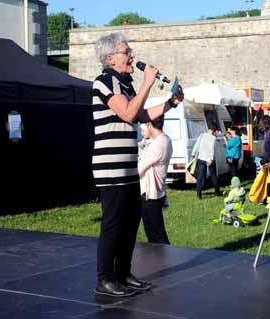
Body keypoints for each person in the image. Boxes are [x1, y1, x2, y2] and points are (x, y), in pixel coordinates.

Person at [92, 32, 183, 297]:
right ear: (110, 58)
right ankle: (105, 278)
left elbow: (142, 116)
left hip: (129, 165)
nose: (132, 55)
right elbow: (128, 112)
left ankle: (123, 273)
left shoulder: (126, 84)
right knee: (113, 223)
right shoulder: (103, 81)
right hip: (110, 166)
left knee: (131, 221)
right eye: (126, 51)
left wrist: (170, 103)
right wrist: (147, 83)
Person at [138, 116, 172, 244]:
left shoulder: (159, 144)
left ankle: (163, 261)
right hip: (155, 192)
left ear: (149, 124)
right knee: (154, 231)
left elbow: (139, 169)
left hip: (151, 194)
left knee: (156, 233)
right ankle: (158, 260)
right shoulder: (165, 139)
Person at [192, 126, 221, 199]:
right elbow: (212, 149)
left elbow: (197, 145)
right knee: (213, 175)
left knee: (201, 176)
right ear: (214, 131)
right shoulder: (213, 138)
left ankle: (199, 193)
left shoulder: (201, 135)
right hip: (209, 159)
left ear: (208, 129)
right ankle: (217, 192)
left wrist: (193, 153)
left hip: (201, 157)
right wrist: (211, 159)